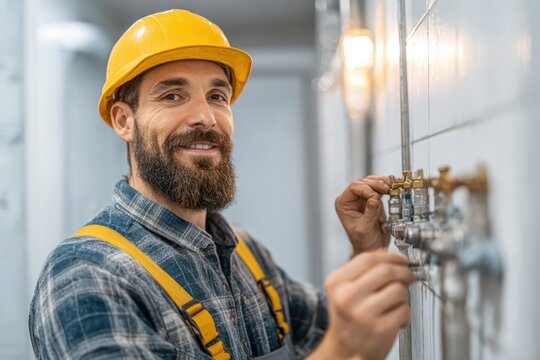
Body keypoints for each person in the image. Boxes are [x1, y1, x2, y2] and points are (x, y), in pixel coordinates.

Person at [29, 9, 414, 360]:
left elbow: (331, 337)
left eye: (217, 96)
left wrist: (367, 251)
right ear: (123, 121)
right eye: (173, 95)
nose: (205, 117)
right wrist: (341, 348)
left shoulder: (246, 253)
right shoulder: (85, 276)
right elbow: (339, 348)